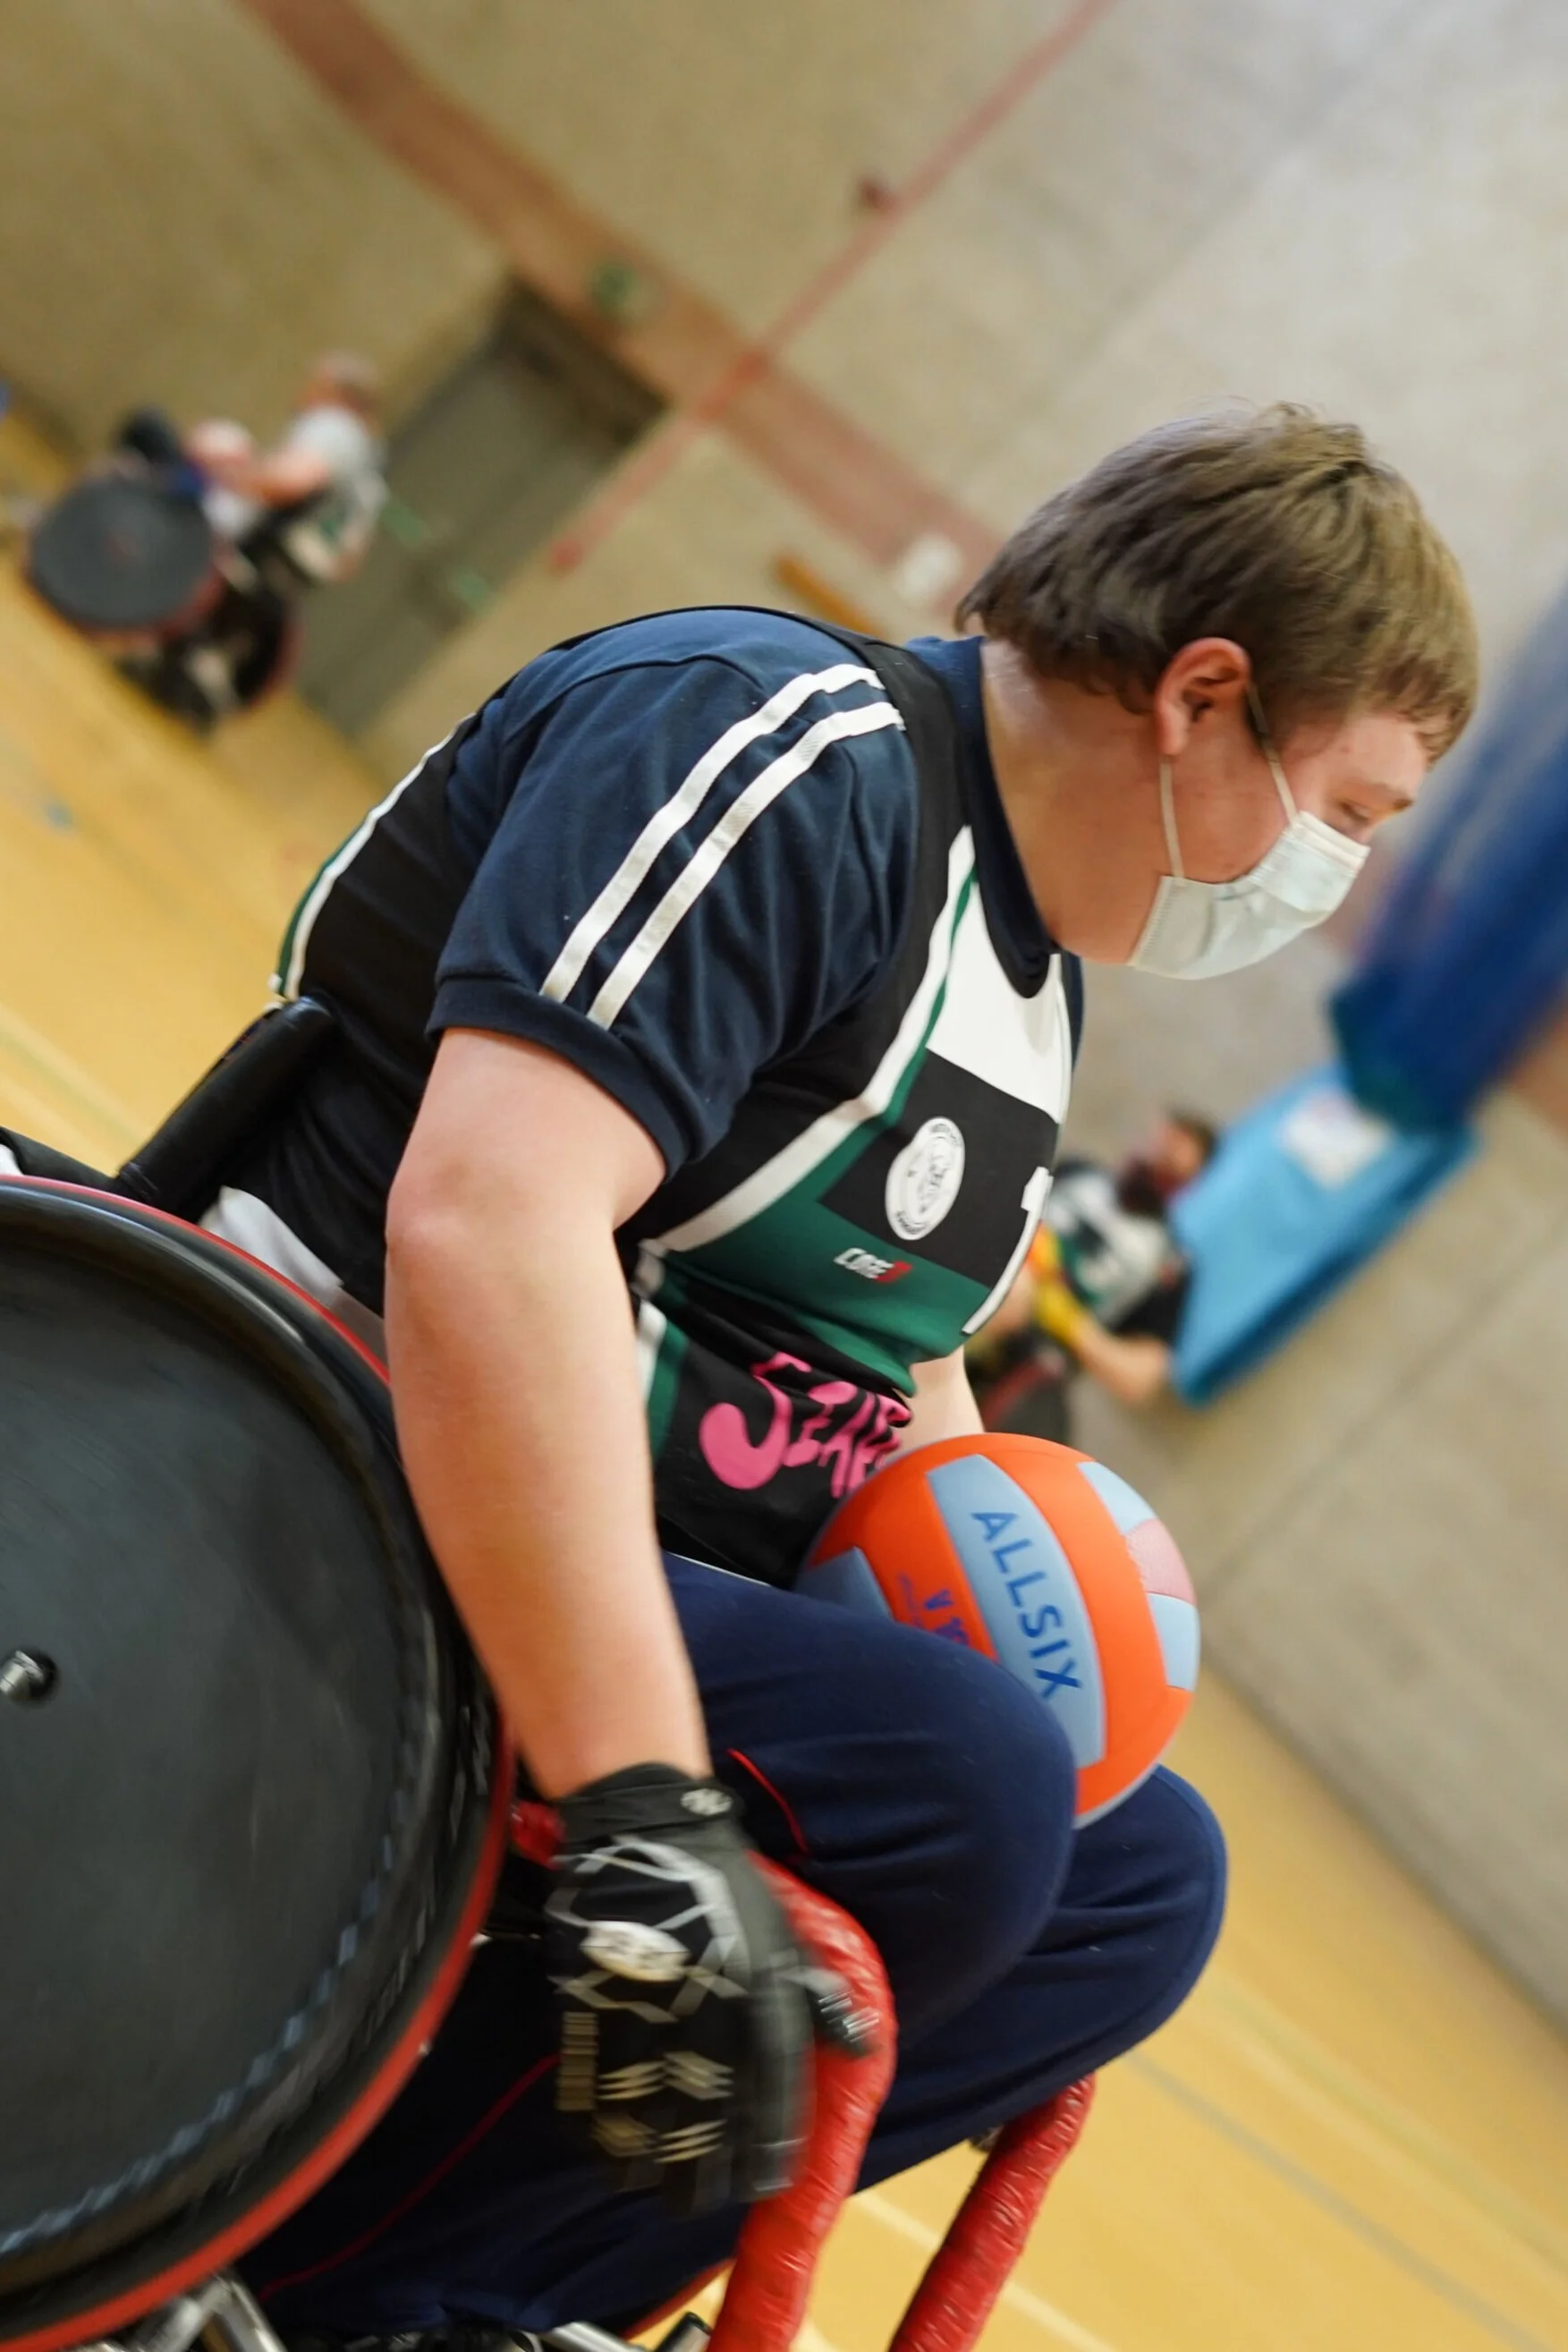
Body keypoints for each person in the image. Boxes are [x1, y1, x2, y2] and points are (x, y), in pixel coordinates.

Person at [178, 405, 1472, 2339]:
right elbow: (488, 1227)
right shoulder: (781, 746)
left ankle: (430, 2293)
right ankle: (286, 2269)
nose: (1328, 879)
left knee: (1133, 1871)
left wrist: (1042, 1624)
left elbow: (906, 1395)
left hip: (615, 1550)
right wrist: (639, 1792)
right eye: (1348, 815)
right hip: (321, 1435)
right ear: (1206, 697)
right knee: (955, 1784)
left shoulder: (1034, 991)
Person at [968, 1108, 1218, 1436]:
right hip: (981, 1281)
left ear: (1186, 1185)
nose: (1153, 1163)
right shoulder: (1078, 1174)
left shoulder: (1168, 1265)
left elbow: (1139, 1380)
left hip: (1028, 1360)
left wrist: (1072, 1324)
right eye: (1157, 1147)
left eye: (1169, 1167)